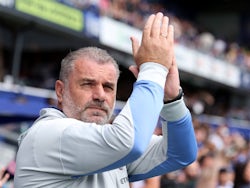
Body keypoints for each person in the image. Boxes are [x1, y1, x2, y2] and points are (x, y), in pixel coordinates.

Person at [14, 12, 197, 187]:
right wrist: (154, 69)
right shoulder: (49, 133)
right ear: (60, 91)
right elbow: (130, 142)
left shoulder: (110, 142)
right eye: (87, 84)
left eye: (108, 87)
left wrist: (171, 100)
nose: (100, 95)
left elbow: (181, 154)